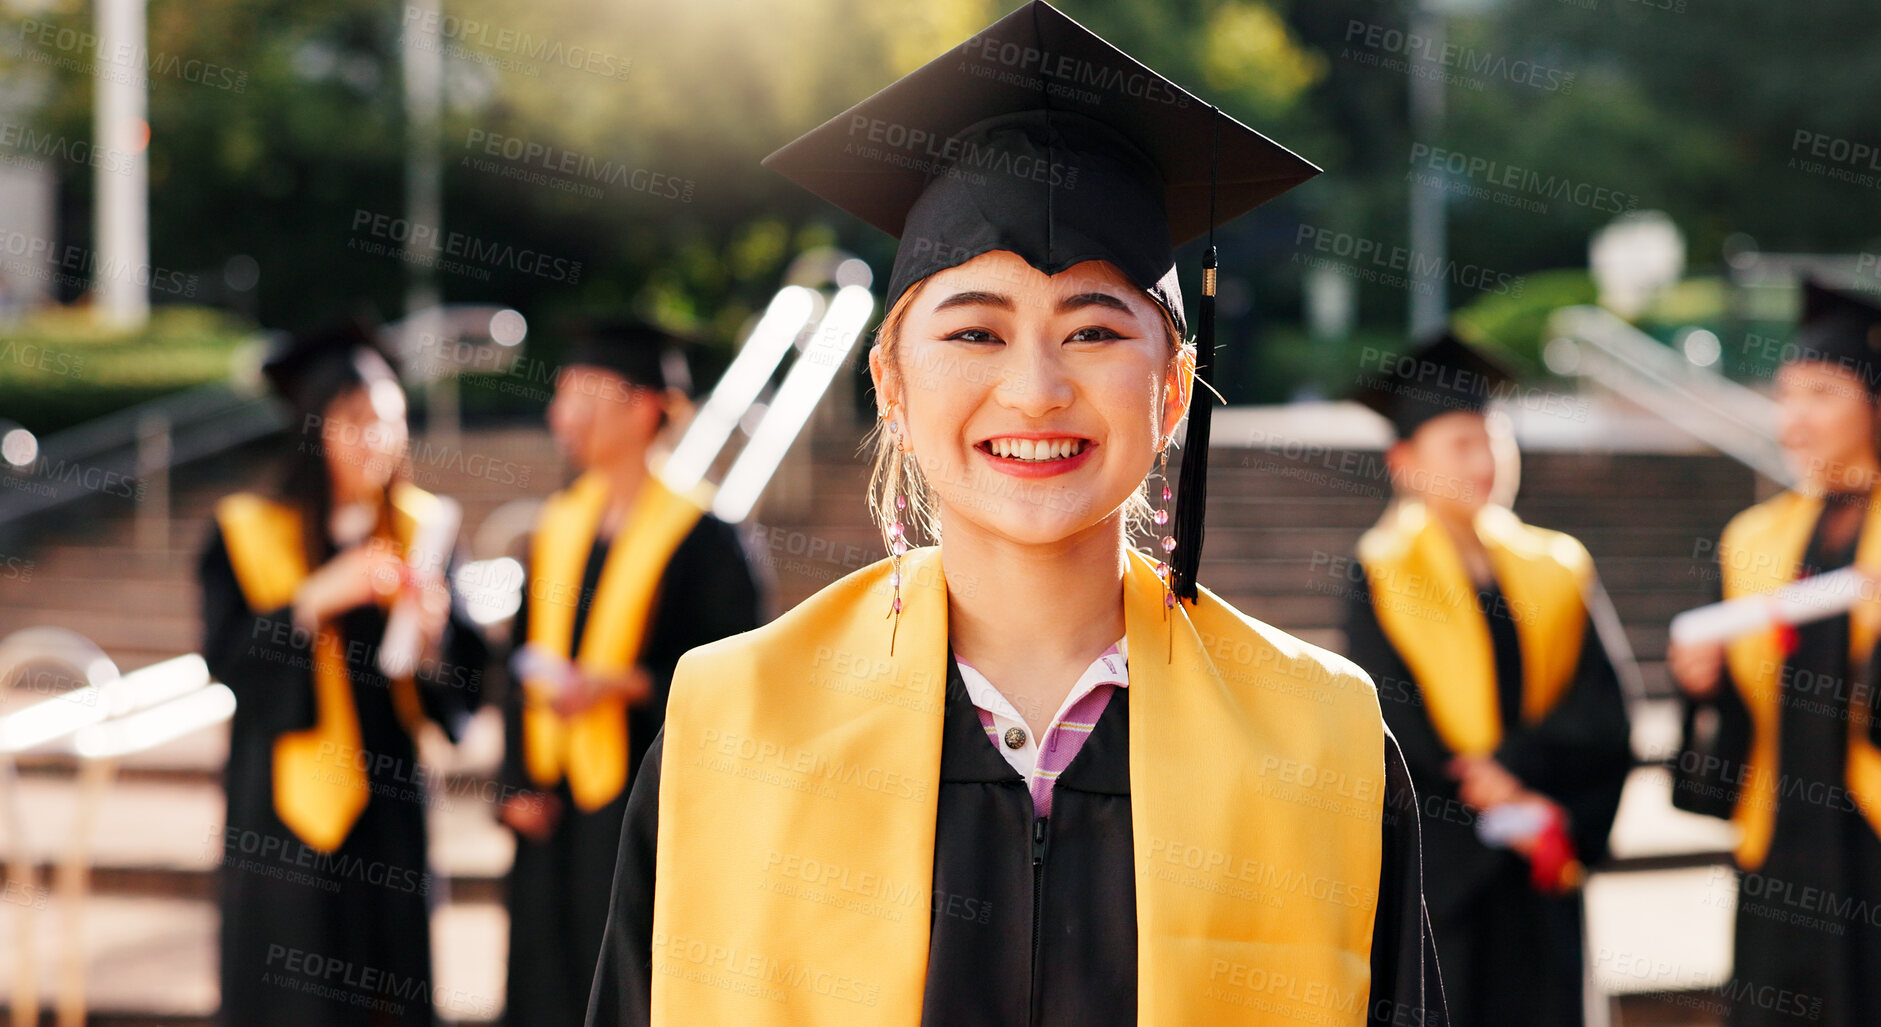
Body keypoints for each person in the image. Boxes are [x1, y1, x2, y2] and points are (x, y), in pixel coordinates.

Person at [586, 4, 1443, 1025]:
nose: (1035, 391)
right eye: (976, 333)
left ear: (1173, 390)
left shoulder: (1320, 742)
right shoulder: (734, 727)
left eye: (1092, 330)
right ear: (891, 387)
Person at [1668, 281, 1881, 1026]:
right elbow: (1737, 708)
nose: (1795, 417)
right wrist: (1704, 684)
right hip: (1782, 839)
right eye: (1787, 393)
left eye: (1822, 392)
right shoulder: (1750, 538)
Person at [200, 319, 489, 1027]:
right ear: (312, 429)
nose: (378, 439)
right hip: (282, 812)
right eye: (355, 420)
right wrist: (315, 598)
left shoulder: (424, 531)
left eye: (389, 420)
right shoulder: (245, 530)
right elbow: (228, 662)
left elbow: (462, 684)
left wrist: (429, 637)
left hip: (388, 804)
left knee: (387, 986)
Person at [1338, 332, 1633, 1026]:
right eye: (1459, 444)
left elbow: (1600, 708)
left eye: (1494, 440)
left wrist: (1522, 779)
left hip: (1540, 852)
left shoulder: (1556, 566)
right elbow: (1388, 719)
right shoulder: (1381, 570)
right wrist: (1481, 792)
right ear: (1404, 463)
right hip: (1447, 881)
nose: (1485, 461)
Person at [498, 318, 762, 1025]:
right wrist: (516, 778)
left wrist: (625, 684)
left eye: (584, 393)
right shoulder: (558, 524)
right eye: (560, 396)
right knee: (541, 982)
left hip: (644, 804)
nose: (562, 415)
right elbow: (515, 662)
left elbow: (737, 675)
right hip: (550, 805)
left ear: (645, 405)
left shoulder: (707, 536)